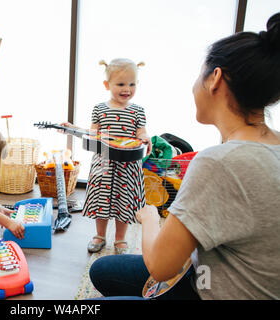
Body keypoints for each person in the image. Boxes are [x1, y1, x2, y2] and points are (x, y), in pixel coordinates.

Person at [89, 12, 280, 300]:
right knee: (102, 269)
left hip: (210, 291)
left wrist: (150, 217)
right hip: (208, 271)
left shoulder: (218, 162)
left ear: (215, 78)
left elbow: (161, 266)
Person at [63, 58, 152, 254]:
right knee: (101, 199)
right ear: (107, 85)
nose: (126, 89)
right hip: (104, 163)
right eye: (120, 84)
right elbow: (93, 133)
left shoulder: (138, 111)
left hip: (128, 166)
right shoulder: (100, 109)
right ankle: (100, 235)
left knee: (124, 201)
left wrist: (145, 137)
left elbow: (141, 132)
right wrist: (73, 129)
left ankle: (120, 239)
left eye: (132, 84)